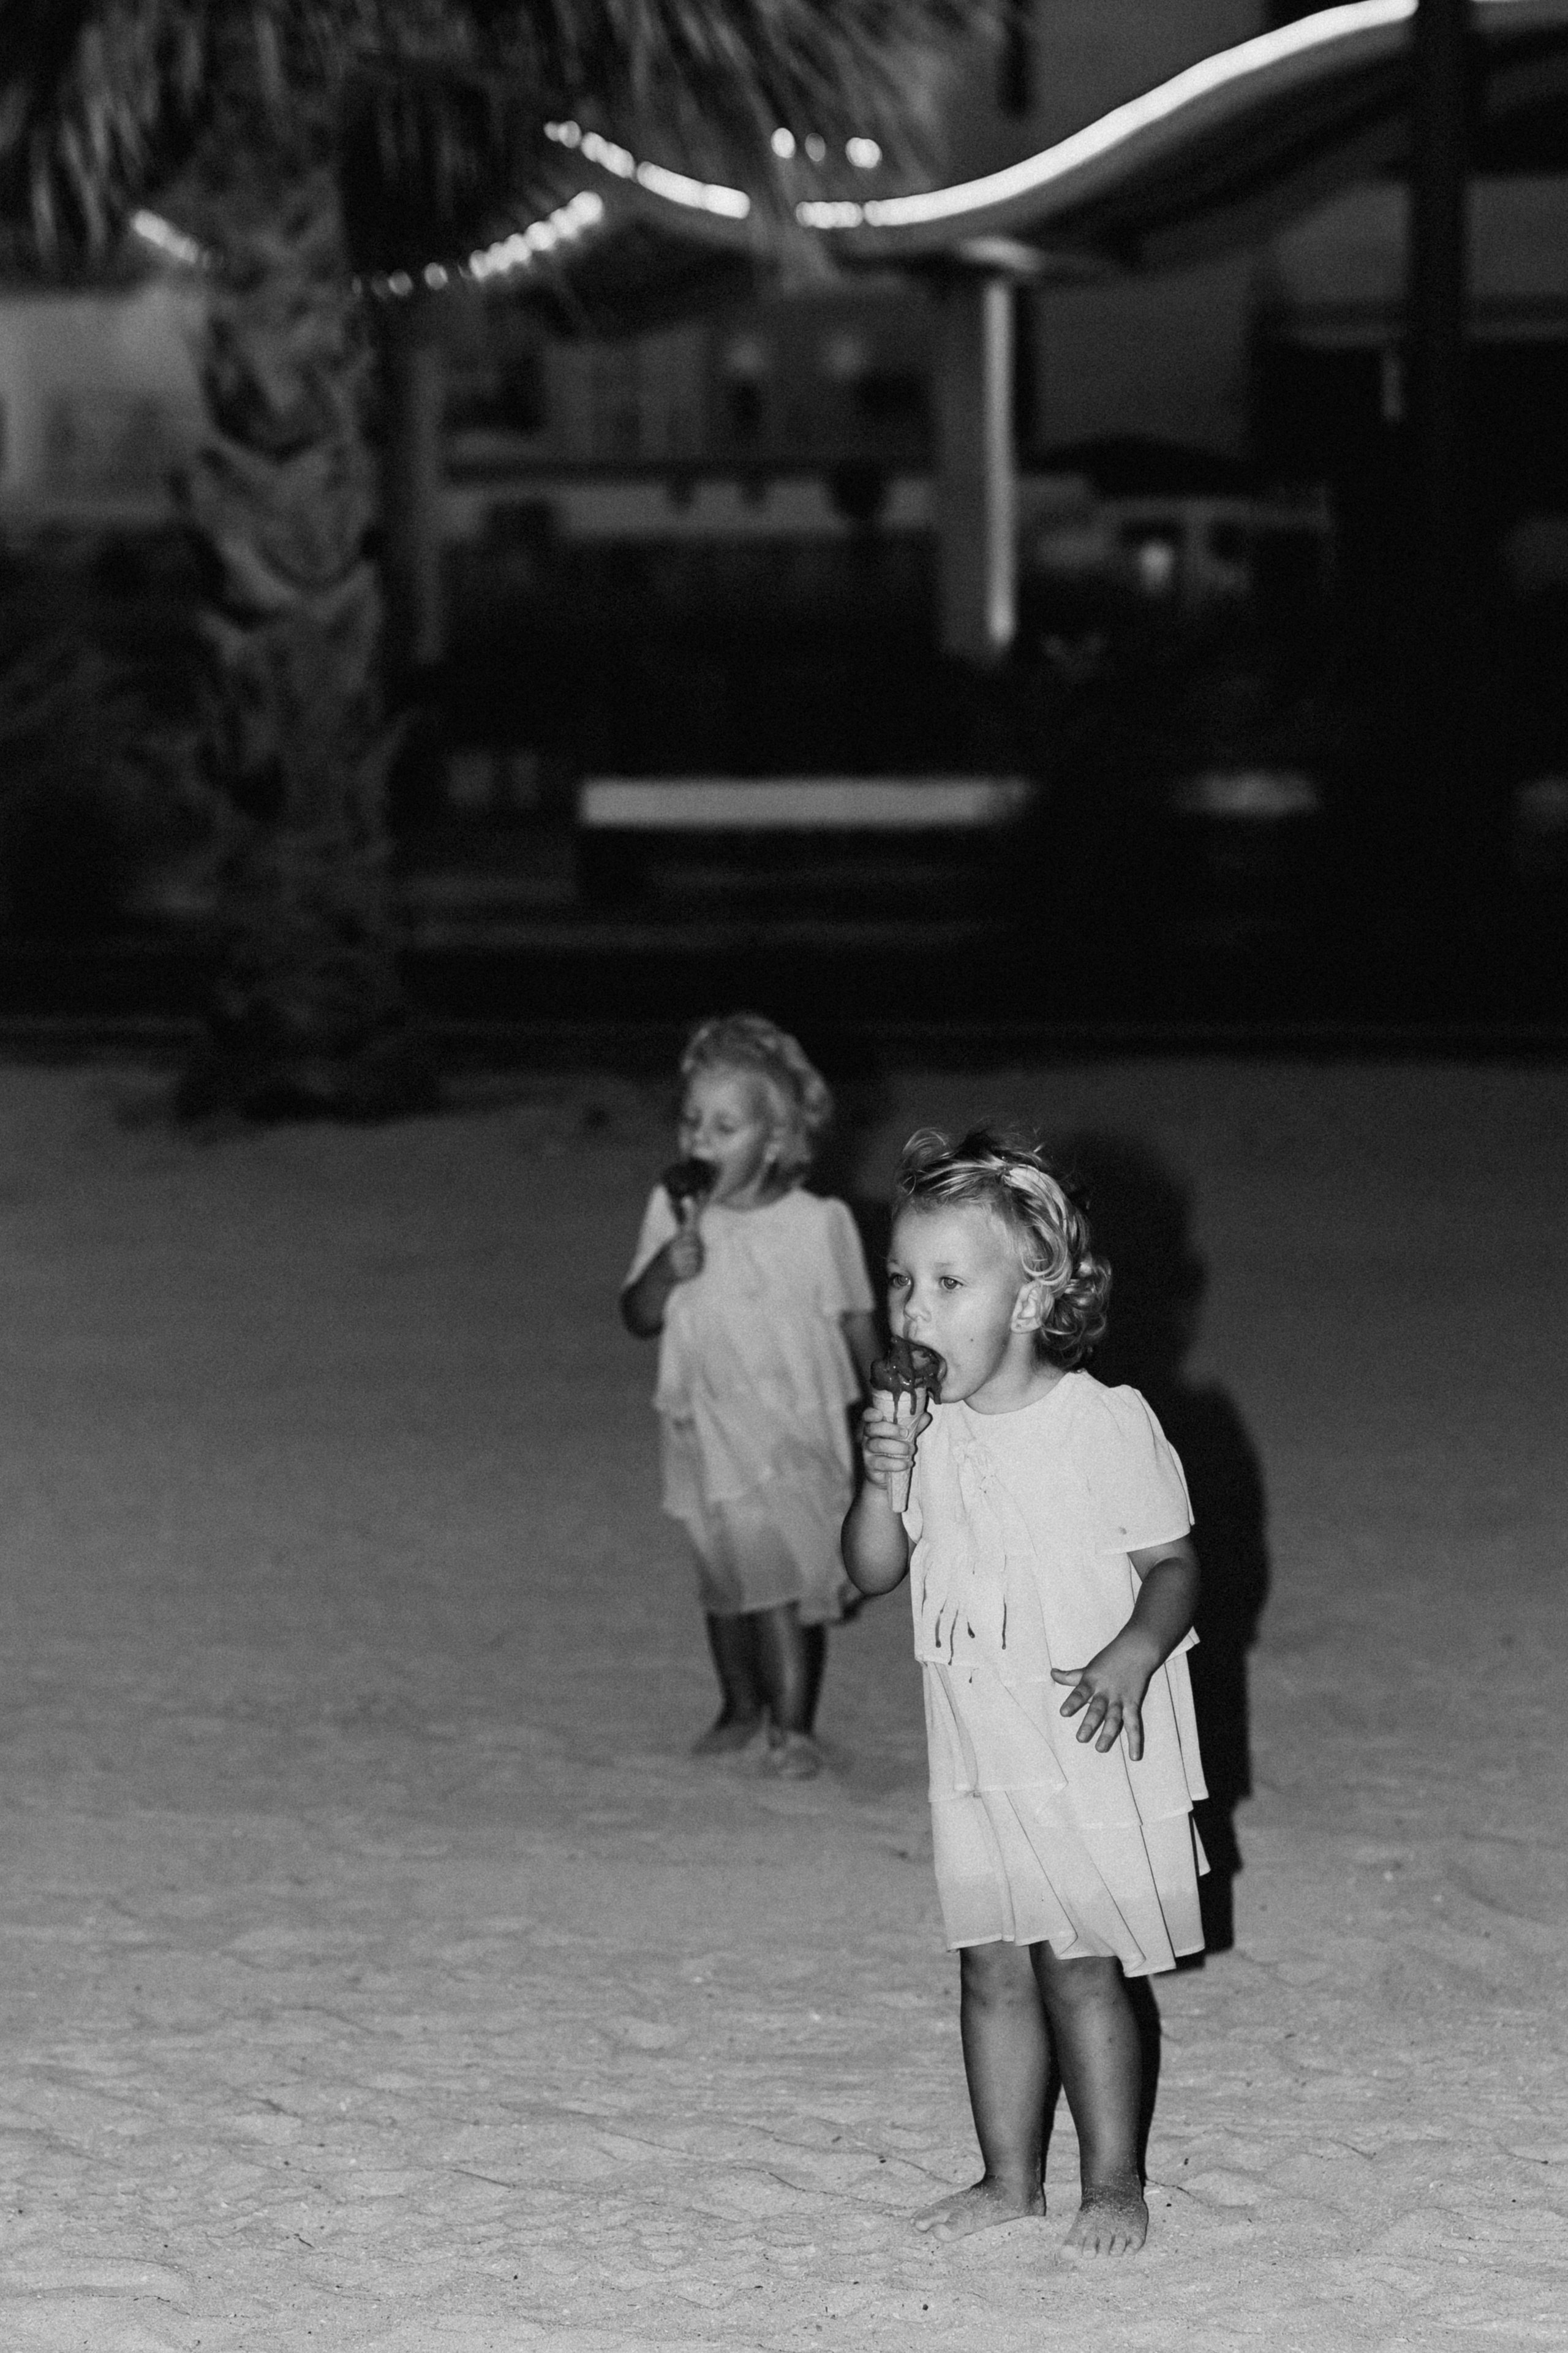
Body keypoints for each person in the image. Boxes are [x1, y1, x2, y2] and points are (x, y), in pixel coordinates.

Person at [842, 1127, 1206, 2254]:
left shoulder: (1104, 1423)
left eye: (950, 1282)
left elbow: (1176, 1566)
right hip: (980, 1732)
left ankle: (1112, 2182)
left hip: (1084, 1728)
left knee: (1080, 1960)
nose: (913, 1309)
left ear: (1035, 1296)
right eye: (903, 1279)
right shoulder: (928, 1430)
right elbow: (865, 1571)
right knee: (991, 1958)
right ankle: (1007, 2178)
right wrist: (881, 1479)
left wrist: (1134, 1651)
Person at [622, 1014, 878, 1778]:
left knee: (777, 1584)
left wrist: (896, 1404)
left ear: (776, 1137)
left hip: (789, 1431)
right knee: (724, 1579)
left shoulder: (819, 1224)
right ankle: (739, 1706)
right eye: (692, 1120)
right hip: (705, 1421)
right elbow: (636, 1316)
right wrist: (668, 1269)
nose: (700, 1140)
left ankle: (791, 1727)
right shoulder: (672, 1212)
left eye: (725, 1125)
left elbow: (857, 1321)